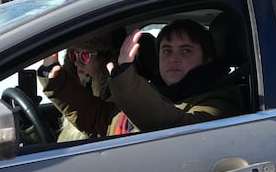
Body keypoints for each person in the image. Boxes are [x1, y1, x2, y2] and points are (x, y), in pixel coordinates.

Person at [107, 18, 244, 131]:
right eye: (167, 51)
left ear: (206, 59)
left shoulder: (222, 99)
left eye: (186, 51)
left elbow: (180, 130)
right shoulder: (153, 91)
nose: (173, 58)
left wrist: (125, 82)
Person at [38, 31, 125, 140]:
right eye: (73, 55)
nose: (76, 63)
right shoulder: (80, 95)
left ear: (105, 59)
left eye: (85, 56)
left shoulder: (117, 106)